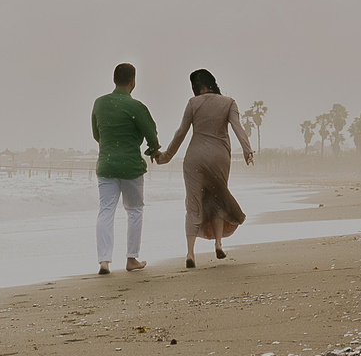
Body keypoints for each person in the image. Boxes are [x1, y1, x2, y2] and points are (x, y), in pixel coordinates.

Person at [154, 68, 253, 269]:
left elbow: (181, 132)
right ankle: (218, 244)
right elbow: (237, 127)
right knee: (217, 199)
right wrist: (247, 149)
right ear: (212, 82)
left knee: (193, 204)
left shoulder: (193, 103)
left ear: (196, 86)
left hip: (195, 158)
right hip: (219, 157)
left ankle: (190, 253)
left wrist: (165, 157)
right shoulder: (229, 102)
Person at [90, 62, 160, 276]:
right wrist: (153, 150)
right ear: (133, 81)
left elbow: (96, 134)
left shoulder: (99, 104)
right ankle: (131, 259)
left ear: (114, 80)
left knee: (106, 211)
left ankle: (104, 261)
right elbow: (152, 135)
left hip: (107, 164)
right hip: (130, 166)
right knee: (135, 211)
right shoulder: (136, 107)